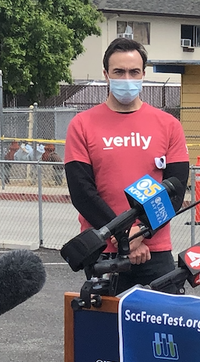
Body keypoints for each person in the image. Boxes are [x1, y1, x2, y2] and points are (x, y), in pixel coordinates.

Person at [64, 37, 189, 292]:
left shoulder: (169, 126)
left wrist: (140, 232)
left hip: (155, 250)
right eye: (118, 72)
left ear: (144, 73)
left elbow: (174, 192)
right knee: (104, 330)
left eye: (134, 72)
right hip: (102, 252)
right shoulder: (82, 124)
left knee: (160, 329)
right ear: (106, 75)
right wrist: (124, 236)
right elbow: (82, 193)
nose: (127, 78)